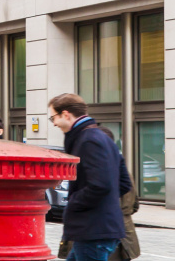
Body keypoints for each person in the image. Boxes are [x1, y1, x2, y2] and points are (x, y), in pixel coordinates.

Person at [49, 93, 130, 261]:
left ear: (65, 114)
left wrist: (73, 203)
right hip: (97, 228)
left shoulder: (88, 140)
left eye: (53, 118)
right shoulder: (100, 137)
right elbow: (124, 182)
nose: (54, 123)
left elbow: (100, 185)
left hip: (94, 230)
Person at [98, 127, 140, 261]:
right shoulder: (124, 170)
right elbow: (135, 205)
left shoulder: (101, 171)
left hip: (106, 235)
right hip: (125, 235)